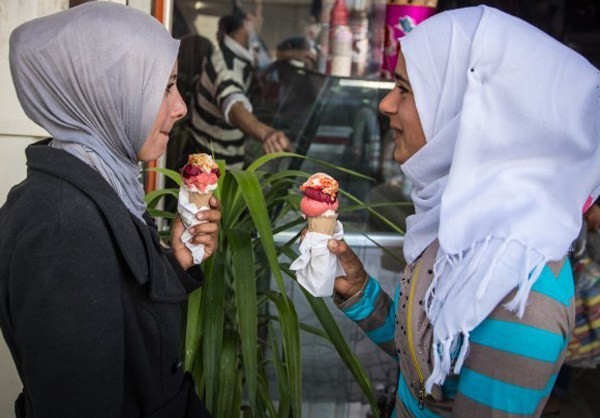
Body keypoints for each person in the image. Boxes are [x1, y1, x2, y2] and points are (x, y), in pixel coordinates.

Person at [324, 5, 600, 417]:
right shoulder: (458, 224)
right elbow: (428, 370)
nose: (386, 104)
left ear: (465, 110)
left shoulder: (521, 293)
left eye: (405, 88)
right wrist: (363, 295)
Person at [0, 3, 220, 417]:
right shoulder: (62, 226)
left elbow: (125, 328)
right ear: (108, 90)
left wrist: (175, 262)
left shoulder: (102, 180)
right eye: (165, 87)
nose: (180, 107)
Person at [182, 11, 290, 170]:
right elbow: (233, 104)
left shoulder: (240, 55)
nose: (262, 19)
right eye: (257, 13)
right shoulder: (226, 64)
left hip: (219, 158)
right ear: (248, 21)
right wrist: (266, 134)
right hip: (212, 167)